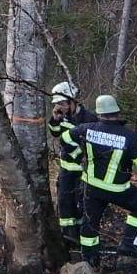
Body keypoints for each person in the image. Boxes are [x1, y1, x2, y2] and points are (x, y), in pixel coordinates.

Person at [74, 94, 137, 265]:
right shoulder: (128, 136)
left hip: (92, 187)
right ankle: (129, 245)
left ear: (99, 113)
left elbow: (66, 138)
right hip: (118, 190)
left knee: (90, 222)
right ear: (117, 111)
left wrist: (76, 155)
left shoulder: (86, 128)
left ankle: (89, 260)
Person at [47, 81, 96, 243]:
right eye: (57, 104)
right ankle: (68, 237)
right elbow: (55, 134)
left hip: (85, 170)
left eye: (62, 103)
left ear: (72, 101)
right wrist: (55, 120)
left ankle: (83, 236)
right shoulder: (62, 117)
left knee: (82, 203)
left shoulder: (89, 118)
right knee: (64, 201)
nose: (60, 107)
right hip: (67, 169)